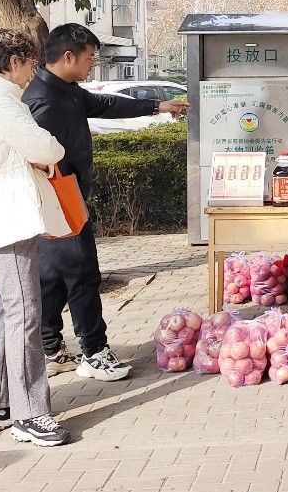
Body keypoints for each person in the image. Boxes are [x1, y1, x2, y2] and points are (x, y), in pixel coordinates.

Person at [25, 24, 189, 381]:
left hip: (63, 199)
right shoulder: (44, 100)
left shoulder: (65, 90)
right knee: (83, 274)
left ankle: (50, 349)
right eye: (89, 58)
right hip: (58, 200)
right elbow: (39, 160)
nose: (92, 65)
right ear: (68, 57)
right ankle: (94, 352)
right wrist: (62, 201)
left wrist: (156, 105)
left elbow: (106, 104)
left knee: (52, 278)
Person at [0, 30, 72, 447]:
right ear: (14, 62)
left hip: (3, 217)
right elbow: (45, 148)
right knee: (25, 313)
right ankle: (30, 414)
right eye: (29, 62)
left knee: (8, 310)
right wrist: (50, 153)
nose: (32, 71)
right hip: (8, 218)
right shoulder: (3, 102)